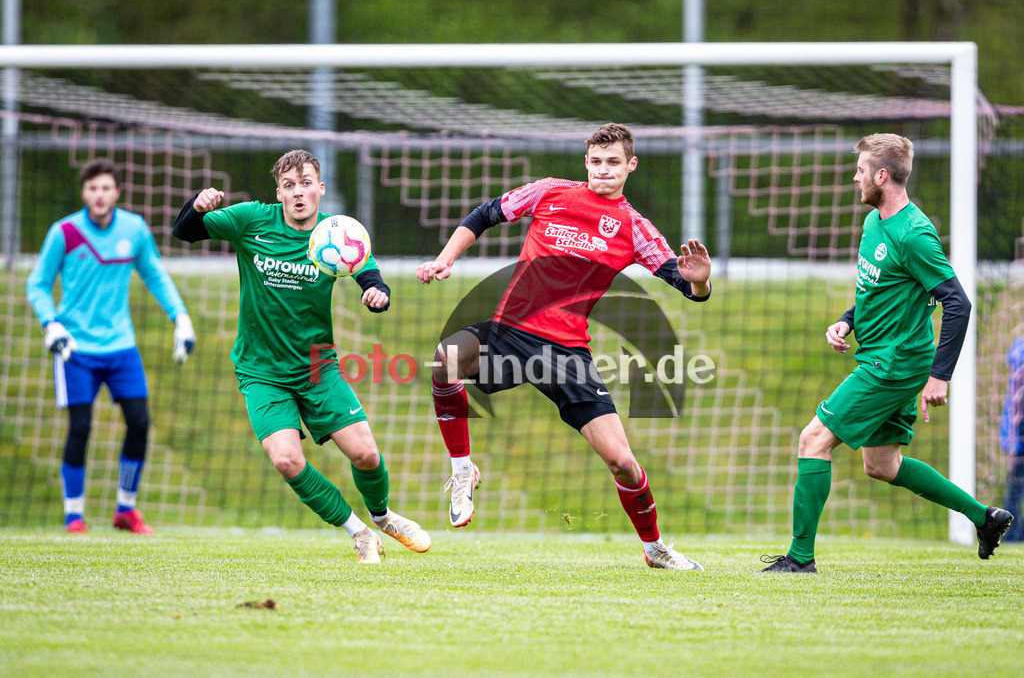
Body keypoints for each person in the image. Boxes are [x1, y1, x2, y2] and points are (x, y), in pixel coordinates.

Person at [417, 123, 711, 570]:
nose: (603, 170)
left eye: (613, 162)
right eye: (596, 161)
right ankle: (462, 470)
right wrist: (445, 259)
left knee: (623, 463)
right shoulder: (550, 192)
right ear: (586, 162)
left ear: (631, 165)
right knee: (445, 360)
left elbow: (686, 285)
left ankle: (655, 548)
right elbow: (485, 214)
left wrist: (701, 281)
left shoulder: (635, 228)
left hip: (567, 354)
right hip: (510, 333)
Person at [761, 133, 1014, 573]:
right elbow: (878, 291)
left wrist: (940, 376)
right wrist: (848, 320)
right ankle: (984, 517)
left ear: (882, 175)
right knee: (882, 464)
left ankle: (800, 559)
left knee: (813, 439)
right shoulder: (874, 222)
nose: (854, 177)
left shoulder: (914, 235)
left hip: (892, 364)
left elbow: (958, 303)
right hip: (884, 356)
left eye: (860, 170)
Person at [171, 149, 429, 563]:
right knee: (287, 461)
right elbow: (184, 231)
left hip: (316, 366)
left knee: (366, 454)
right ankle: (359, 533)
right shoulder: (252, 219)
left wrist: (376, 293)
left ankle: (383, 517)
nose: (298, 192)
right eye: (289, 185)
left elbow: (369, 274)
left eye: (306, 183)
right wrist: (197, 206)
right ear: (279, 193)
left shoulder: (335, 233)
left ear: (320, 189)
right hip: (261, 371)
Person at [26, 160, 196, 535]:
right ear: (84, 193)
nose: (99, 195)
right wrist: (51, 324)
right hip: (75, 348)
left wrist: (180, 317)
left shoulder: (134, 229)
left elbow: (155, 275)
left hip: (121, 346)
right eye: (92, 188)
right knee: (80, 427)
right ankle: (74, 517)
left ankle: (126, 510)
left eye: (105, 188)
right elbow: (37, 284)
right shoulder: (64, 232)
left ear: (117, 192)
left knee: (139, 423)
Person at [999, 337, 1024, 542]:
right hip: (1018, 431)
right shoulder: (1020, 351)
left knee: (1015, 486)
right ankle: (1012, 534)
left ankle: (1012, 534)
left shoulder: (1018, 348)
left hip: (1014, 432)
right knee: (1016, 486)